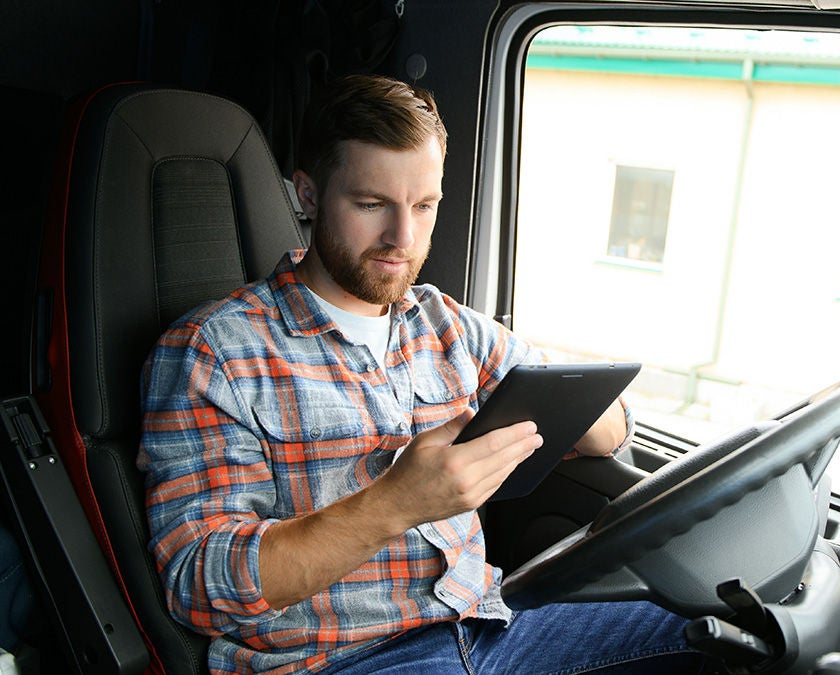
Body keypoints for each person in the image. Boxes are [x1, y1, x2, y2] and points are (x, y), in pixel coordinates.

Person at [137, 74, 704, 674]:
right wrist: (396, 503)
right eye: (371, 204)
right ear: (306, 195)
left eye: (424, 206)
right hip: (341, 661)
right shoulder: (216, 351)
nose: (402, 238)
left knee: (722, 626)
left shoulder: (446, 324)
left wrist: (588, 418)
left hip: (487, 628)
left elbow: (614, 430)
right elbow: (198, 587)